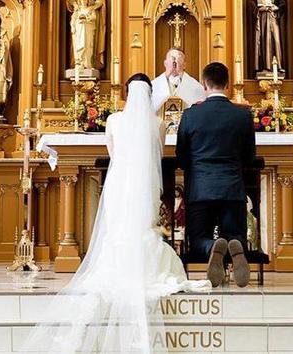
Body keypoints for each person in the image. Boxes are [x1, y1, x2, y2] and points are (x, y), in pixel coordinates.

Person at [22, 74, 210, 354]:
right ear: (148, 95)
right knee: (144, 226)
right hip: (146, 184)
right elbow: (156, 157)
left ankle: (117, 266)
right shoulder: (158, 123)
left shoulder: (113, 121)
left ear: (126, 94)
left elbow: (113, 151)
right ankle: (145, 266)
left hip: (119, 183)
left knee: (118, 228)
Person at [176, 62, 256, 288]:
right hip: (232, 187)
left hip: (201, 188)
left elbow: (181, 157)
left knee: (197, 237)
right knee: (236, 234)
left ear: (204, 84)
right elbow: (249, 156)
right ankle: (234, 245)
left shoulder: (191, 115)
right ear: (228, 84)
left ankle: (212, 247)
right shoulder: (242, 116)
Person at [152, 48, 205, 115]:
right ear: (165, 63)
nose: (174, 63)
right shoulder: (154, 85)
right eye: (172, 59)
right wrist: (168, 73)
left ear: (184, 65)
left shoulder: (195, 86)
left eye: (178, 60)